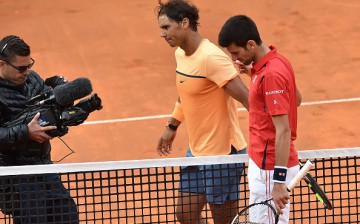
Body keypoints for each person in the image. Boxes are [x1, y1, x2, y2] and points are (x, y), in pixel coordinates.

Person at [155, 1, 249, 223]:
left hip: (223, 154)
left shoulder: (212, 58)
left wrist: (272, 135)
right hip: (196, 151)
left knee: (224, 220)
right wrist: (172, 125)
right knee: (185, 215)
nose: (162, 34)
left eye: (166, 27)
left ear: (184, 23)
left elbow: (247, 98)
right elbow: (187, 92)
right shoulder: (181, 54)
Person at [218, 15, 301, 223]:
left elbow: (283, 130)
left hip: (270, 167)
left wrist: (279, 182)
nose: (234, 58)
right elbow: (296, 99)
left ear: (251, 44)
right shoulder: (277, 62)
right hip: (265, 162)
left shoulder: (270, 75)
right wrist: (254, 76)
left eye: (236, 52)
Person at [0, 35, 79, 224]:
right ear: (2, 64)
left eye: (29, 65)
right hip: (15, 173)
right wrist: (26, 132)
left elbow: (50, 110)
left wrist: (64, 96)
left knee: (67, 216)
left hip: (42, 164)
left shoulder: (32, 79)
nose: (27, 71)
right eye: (21, 68)